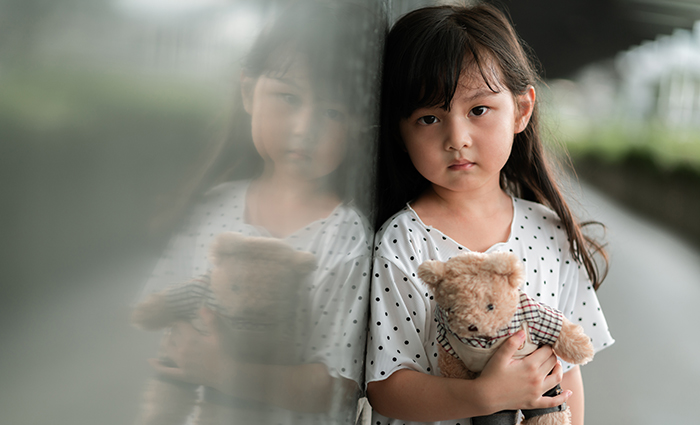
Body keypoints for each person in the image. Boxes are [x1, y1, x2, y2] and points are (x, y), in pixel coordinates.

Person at [365, 4, 614, 425]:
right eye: (429, 118)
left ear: (521, 110)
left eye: (478, 110)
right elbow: (387, 388)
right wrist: (484, 396)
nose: (457, 138)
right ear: (400, 132)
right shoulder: (404, 239)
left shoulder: (550, 232)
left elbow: (567, 371)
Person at [137, 1, 382, 423]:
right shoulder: (214, 207)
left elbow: (336, 386)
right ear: (249, 92)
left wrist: (223, 371)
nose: (305, 127)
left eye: (332, 111)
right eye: (288, 97)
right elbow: (166, 325)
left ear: (360, 126)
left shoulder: (345, 236)